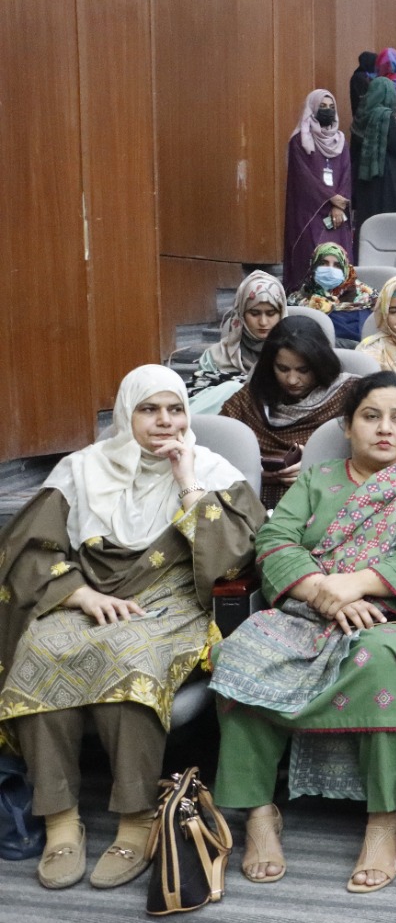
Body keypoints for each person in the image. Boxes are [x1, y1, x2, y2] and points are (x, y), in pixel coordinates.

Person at [210, 372, 396, 892]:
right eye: (370, 417)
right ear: (348, 427)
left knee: (378, 662)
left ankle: (384, 819)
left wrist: (356, 584)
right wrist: (320, 591)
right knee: (237, 653)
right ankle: (259, 812)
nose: (385, 428)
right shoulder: (318, 478)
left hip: (394, 618)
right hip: (306, 613)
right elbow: (275, 539)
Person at [0, 366, 263, 890]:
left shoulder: (212, 470)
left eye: (175, 409)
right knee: (40, 652)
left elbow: (233, 560)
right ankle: (60, 819)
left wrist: (187, 483)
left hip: (174, 600)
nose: (165, 421)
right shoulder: (81, 469)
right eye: (149, 409)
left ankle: (136, 818)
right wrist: (80, 594)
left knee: (131, 660)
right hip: (86, 595)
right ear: (126, 415)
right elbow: (28, 549)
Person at [221, 316, 356, 509]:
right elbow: (217, 452)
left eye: (303, 370)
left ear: (320, 364)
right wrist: (251, 468)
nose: (292, 380)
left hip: (323, 504)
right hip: (251, 505)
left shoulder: (349, 395)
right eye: (282, 369)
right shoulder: (251, 398)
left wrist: (318, 465)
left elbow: (373, 454)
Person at [283, 89, 353, 287]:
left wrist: (338, 205)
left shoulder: (341, 142)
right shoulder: (299, 141)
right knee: (311, 257)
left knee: (338, 258)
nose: (327, 110)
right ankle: (306, 300)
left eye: (331, 107)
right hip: (309, 212)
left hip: (337, 213)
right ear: (312, 109)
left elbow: (346, 174)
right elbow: (304, 178)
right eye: (322, 106)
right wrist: (331, 198)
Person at [191, 271, 286, 407]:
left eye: (271, 313)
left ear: (281, 314)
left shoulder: (293, 355)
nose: (263, 322)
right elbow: (199, 401)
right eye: (254, 313)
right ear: (241, 314)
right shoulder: (215, 356)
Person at [351, 78, 396, 236]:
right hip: (385, 175)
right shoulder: (385, 115)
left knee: (367, 219)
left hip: (363, 174)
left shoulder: (360, 114)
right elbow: (395, 145)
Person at [286, 242, 376, 346]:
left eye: (337, 265)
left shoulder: (365, 299)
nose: (330, 269)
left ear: (345, 269)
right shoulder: (298, 300)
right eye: (323, 263)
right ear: (313, 265)